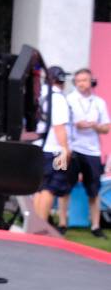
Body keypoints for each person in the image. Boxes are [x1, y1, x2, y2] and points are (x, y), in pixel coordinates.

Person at [60, 68, 108, 238]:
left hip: (92, 151)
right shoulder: (68, 100)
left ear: (91, 81)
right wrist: (76, 125)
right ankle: (62, 223)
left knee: (93, 190)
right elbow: (61, 124)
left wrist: (95, 125)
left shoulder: (99, 102)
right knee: (64, 187)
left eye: (84, 80)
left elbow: (106, 128)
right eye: (78, 80)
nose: (81, 83)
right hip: (71, 149)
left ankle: (95, 226)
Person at [32, 66, 73, 236]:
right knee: (50, 188)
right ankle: (41, 227)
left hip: (39, 147)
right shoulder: (58, 99)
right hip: (54, 149)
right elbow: (59, 126)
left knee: (40, 188)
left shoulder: (41, 96)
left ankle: (35, 226)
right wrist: (65, 148)